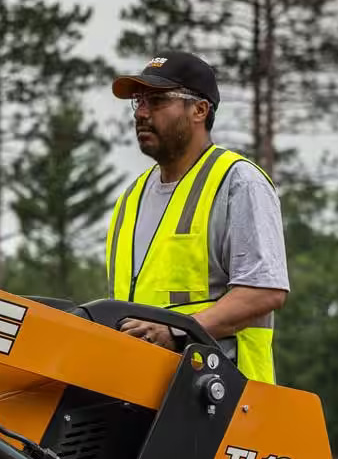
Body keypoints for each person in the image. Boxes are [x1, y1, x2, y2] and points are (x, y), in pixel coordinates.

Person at [104, 51, 288, 383]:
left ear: (199, 110)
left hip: (225, 402)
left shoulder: (238, 182)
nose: (142, 113)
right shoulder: (130, 199)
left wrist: (175, 332)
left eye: (157, 101)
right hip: (142, 399)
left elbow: (263, 292)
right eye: (139, 102)